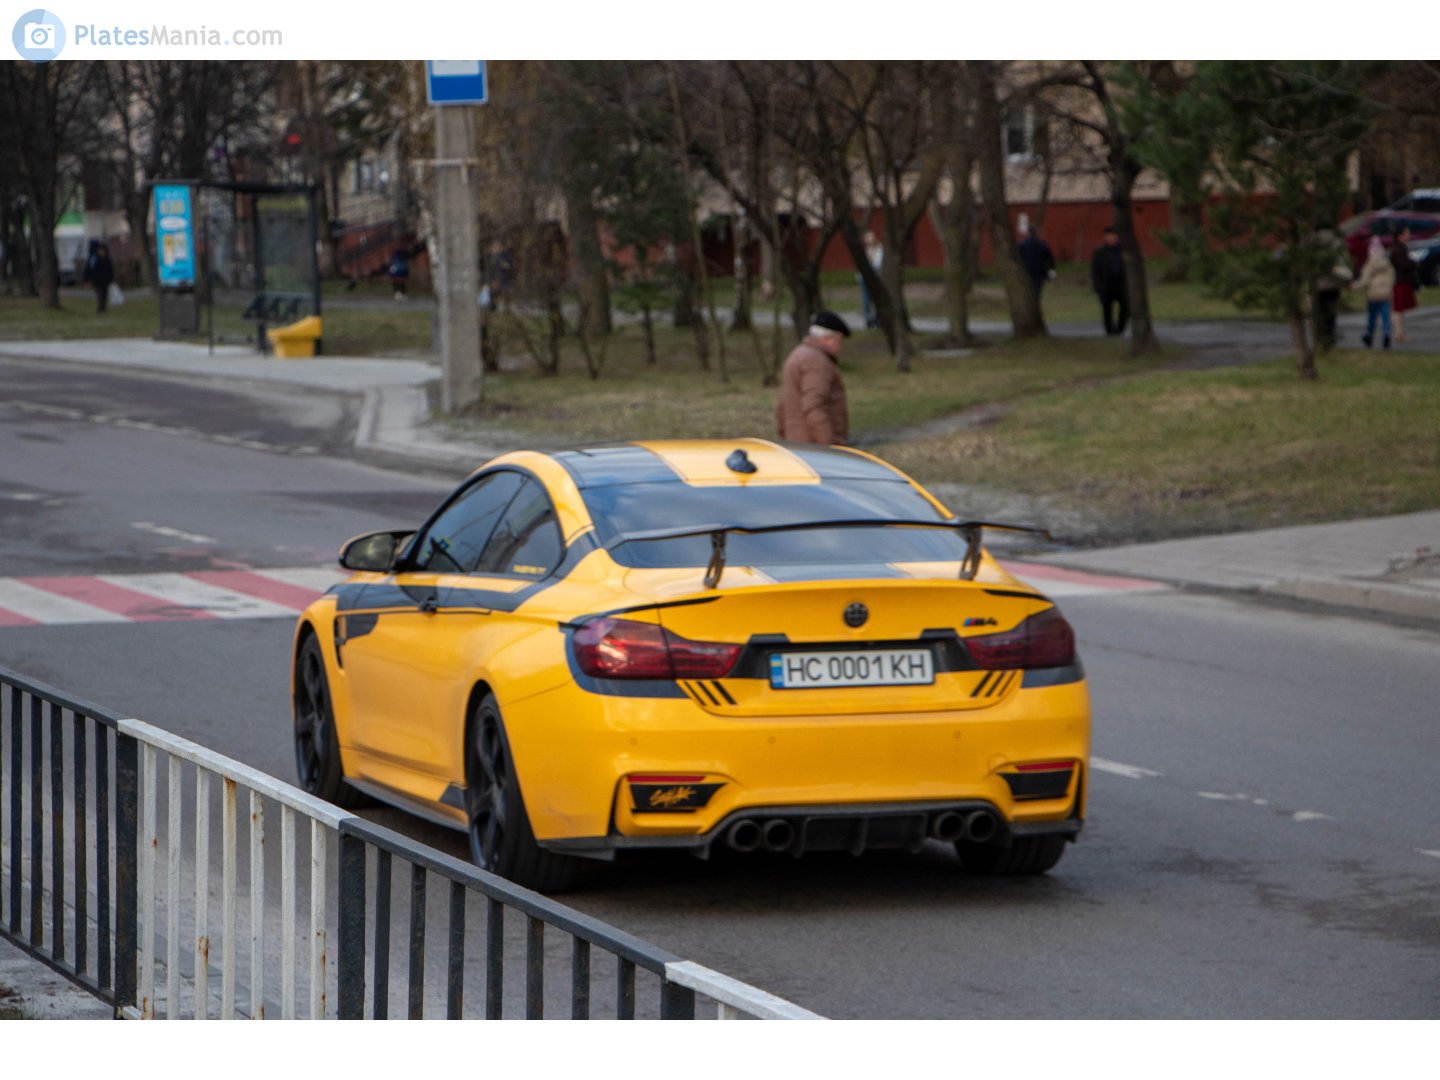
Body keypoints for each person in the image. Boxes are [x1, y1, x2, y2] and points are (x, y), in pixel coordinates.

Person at [775, 310, 850, 445]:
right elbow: (814, 406)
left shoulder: (796, 354)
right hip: (814, 446)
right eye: (839, 340)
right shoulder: (817, 362)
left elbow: (782, 405)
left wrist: (784, 435)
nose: (840, 346)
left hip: (796, 442)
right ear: (828, 338)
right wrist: (829, 444)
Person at [1354, 236, 1396, 349]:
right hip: (1385, 295)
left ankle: (1369, 335)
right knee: (1385, 317)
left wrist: (1353, 287)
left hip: (1373, 295)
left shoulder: (1369, 265)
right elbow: (1393, 279)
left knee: (1372, 317)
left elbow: (1364, 280)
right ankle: (1386, 335)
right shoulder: (1388, 265)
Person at [1313, 233, 1352, 351]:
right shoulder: (1337, 242)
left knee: (1320, 312)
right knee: (1330, 313)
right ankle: (1329, 338)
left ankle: (1321, 338)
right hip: (1334, 283)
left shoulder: (1313, 241)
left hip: (1318, 284)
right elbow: (1346, 262)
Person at [1090, 225, 1128, 336]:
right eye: (1111, 235)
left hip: (1120, 283)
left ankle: (1120, 329)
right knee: (1107, 309)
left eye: (1116, 235)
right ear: (1106, 237)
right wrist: (1097, 286)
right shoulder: (1100, 251)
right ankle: (1109, 331)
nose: (1114, 238)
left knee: (1125, 306)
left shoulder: (1123, 249)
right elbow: (1095, 270)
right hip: (1106, 283)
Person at [1390, 226, 1421, 343]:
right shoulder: (1399, 249)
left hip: (1402, 281)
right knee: (1398, 308)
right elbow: (1402, 265)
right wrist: (1413, 263)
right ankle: (1398, 333)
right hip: (1400, 281)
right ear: (1400, 235)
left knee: (1400, 308)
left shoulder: (1401, 248)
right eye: (1406, 233)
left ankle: (1399, 332)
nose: (1409, 235)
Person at [1018, 227, 1056, 304]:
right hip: (1040, 273)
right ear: (1036, 233)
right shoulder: (1042, 244)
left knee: (1028, 291)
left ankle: (1029, 305)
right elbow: (1050, 259)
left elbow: (1018, 259)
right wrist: (1051, 270)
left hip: (1027, 272)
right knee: (1037, 291)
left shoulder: (1022, 245)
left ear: (1028, 233)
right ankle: (1036, 304)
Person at [858, 230, 884, 329]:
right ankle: (868, 319)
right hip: (864, 278)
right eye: (867, 238)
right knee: (866, 299)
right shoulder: (865, 250)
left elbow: (877, 264)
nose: (869, 240)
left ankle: (878, 318)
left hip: (876, 277)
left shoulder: (879, 249)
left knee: (877, 298)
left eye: (870, 237)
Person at [84, 242, 114, 314]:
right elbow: (89, 269)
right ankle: (101, 309)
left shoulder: (107, 259)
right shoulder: (95, 259)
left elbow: (110, 270)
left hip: (105, 280)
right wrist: (87, 279)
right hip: (97, 280)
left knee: (104, 295)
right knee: (100, 294)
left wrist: (111, 279)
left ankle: (103, 308)